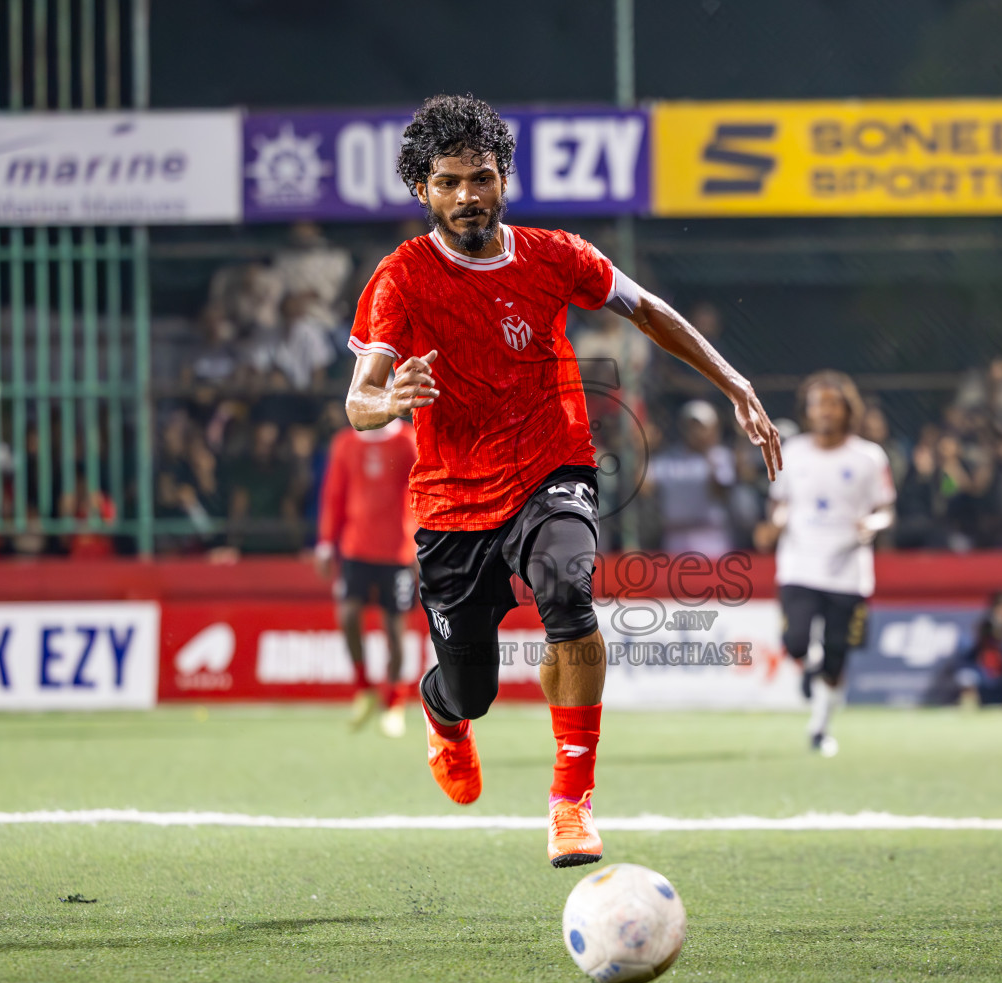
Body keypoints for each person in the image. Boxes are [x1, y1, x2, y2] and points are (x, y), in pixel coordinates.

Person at [344, 95, 781, 868]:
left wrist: (734, 381)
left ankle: (571, 802)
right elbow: (359, 400)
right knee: (470, 687)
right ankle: (443, 717)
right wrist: (390, 400)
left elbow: (647, 310)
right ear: (423, 190)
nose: (466, 196)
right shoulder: (400, 278)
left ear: (504, 178)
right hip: (452, 500)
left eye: (481, 178)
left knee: (567, 587)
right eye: (447, 182)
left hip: (553, 464)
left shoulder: (554, 256)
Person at [754, 371, 893, 756]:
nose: (825, 410)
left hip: (848, 569)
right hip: (799, 563)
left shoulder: (868, 457)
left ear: (848, 409)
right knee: (795, 641)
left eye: (833, 402)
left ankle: (820, 727)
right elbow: (781, 503)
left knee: (837, 655)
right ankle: (808, 664)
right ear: (808, 411)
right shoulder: (792, 452)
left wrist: (873, 524)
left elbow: (885, 509)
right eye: (818, 403)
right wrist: (775, 527)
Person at [314, 420, 419, 738]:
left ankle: (395, 704)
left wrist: (421, 541)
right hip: (355, 547)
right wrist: (325, 542)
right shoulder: (345, 443)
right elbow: (334, 494)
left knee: (395, 630)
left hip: (397, 550)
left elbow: (424, 490)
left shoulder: (408, 441)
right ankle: (364, 687)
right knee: (347, 615)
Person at [645, 400, 736, 557]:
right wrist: (645, 450)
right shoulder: (670, 457)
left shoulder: (721, 457)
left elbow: (722, 491)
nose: (696, 431)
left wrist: (707, 453)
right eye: (692, 426)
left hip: (711, 538)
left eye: (701, 427)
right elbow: (644, 488)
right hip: (675, 537)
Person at [927, 590, 1002, 707]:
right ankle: (968, 705)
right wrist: (983, 638)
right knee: (966, 671)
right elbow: (965, 658)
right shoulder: (978, 631)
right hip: (982, 682)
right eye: (1001, 609)